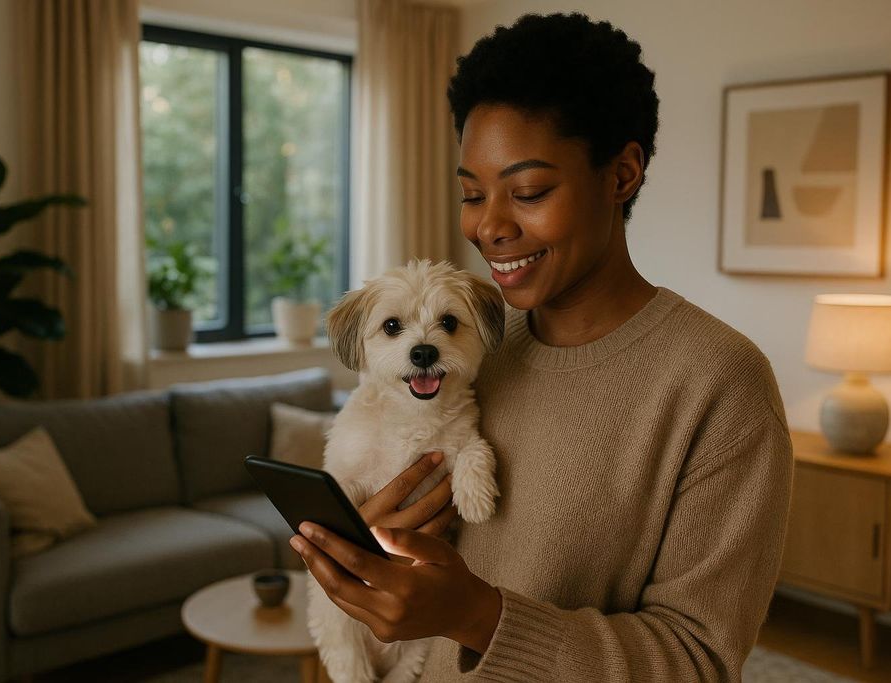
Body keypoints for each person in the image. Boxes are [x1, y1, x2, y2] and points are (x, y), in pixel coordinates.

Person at [290, 12, 794, 682]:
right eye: (472, 194)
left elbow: (698, 661)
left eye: (528, 191)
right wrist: (357, 560)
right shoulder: (469, 353)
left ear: (622, 174)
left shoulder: (719, 383)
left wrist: (480, 616)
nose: (489, 226)